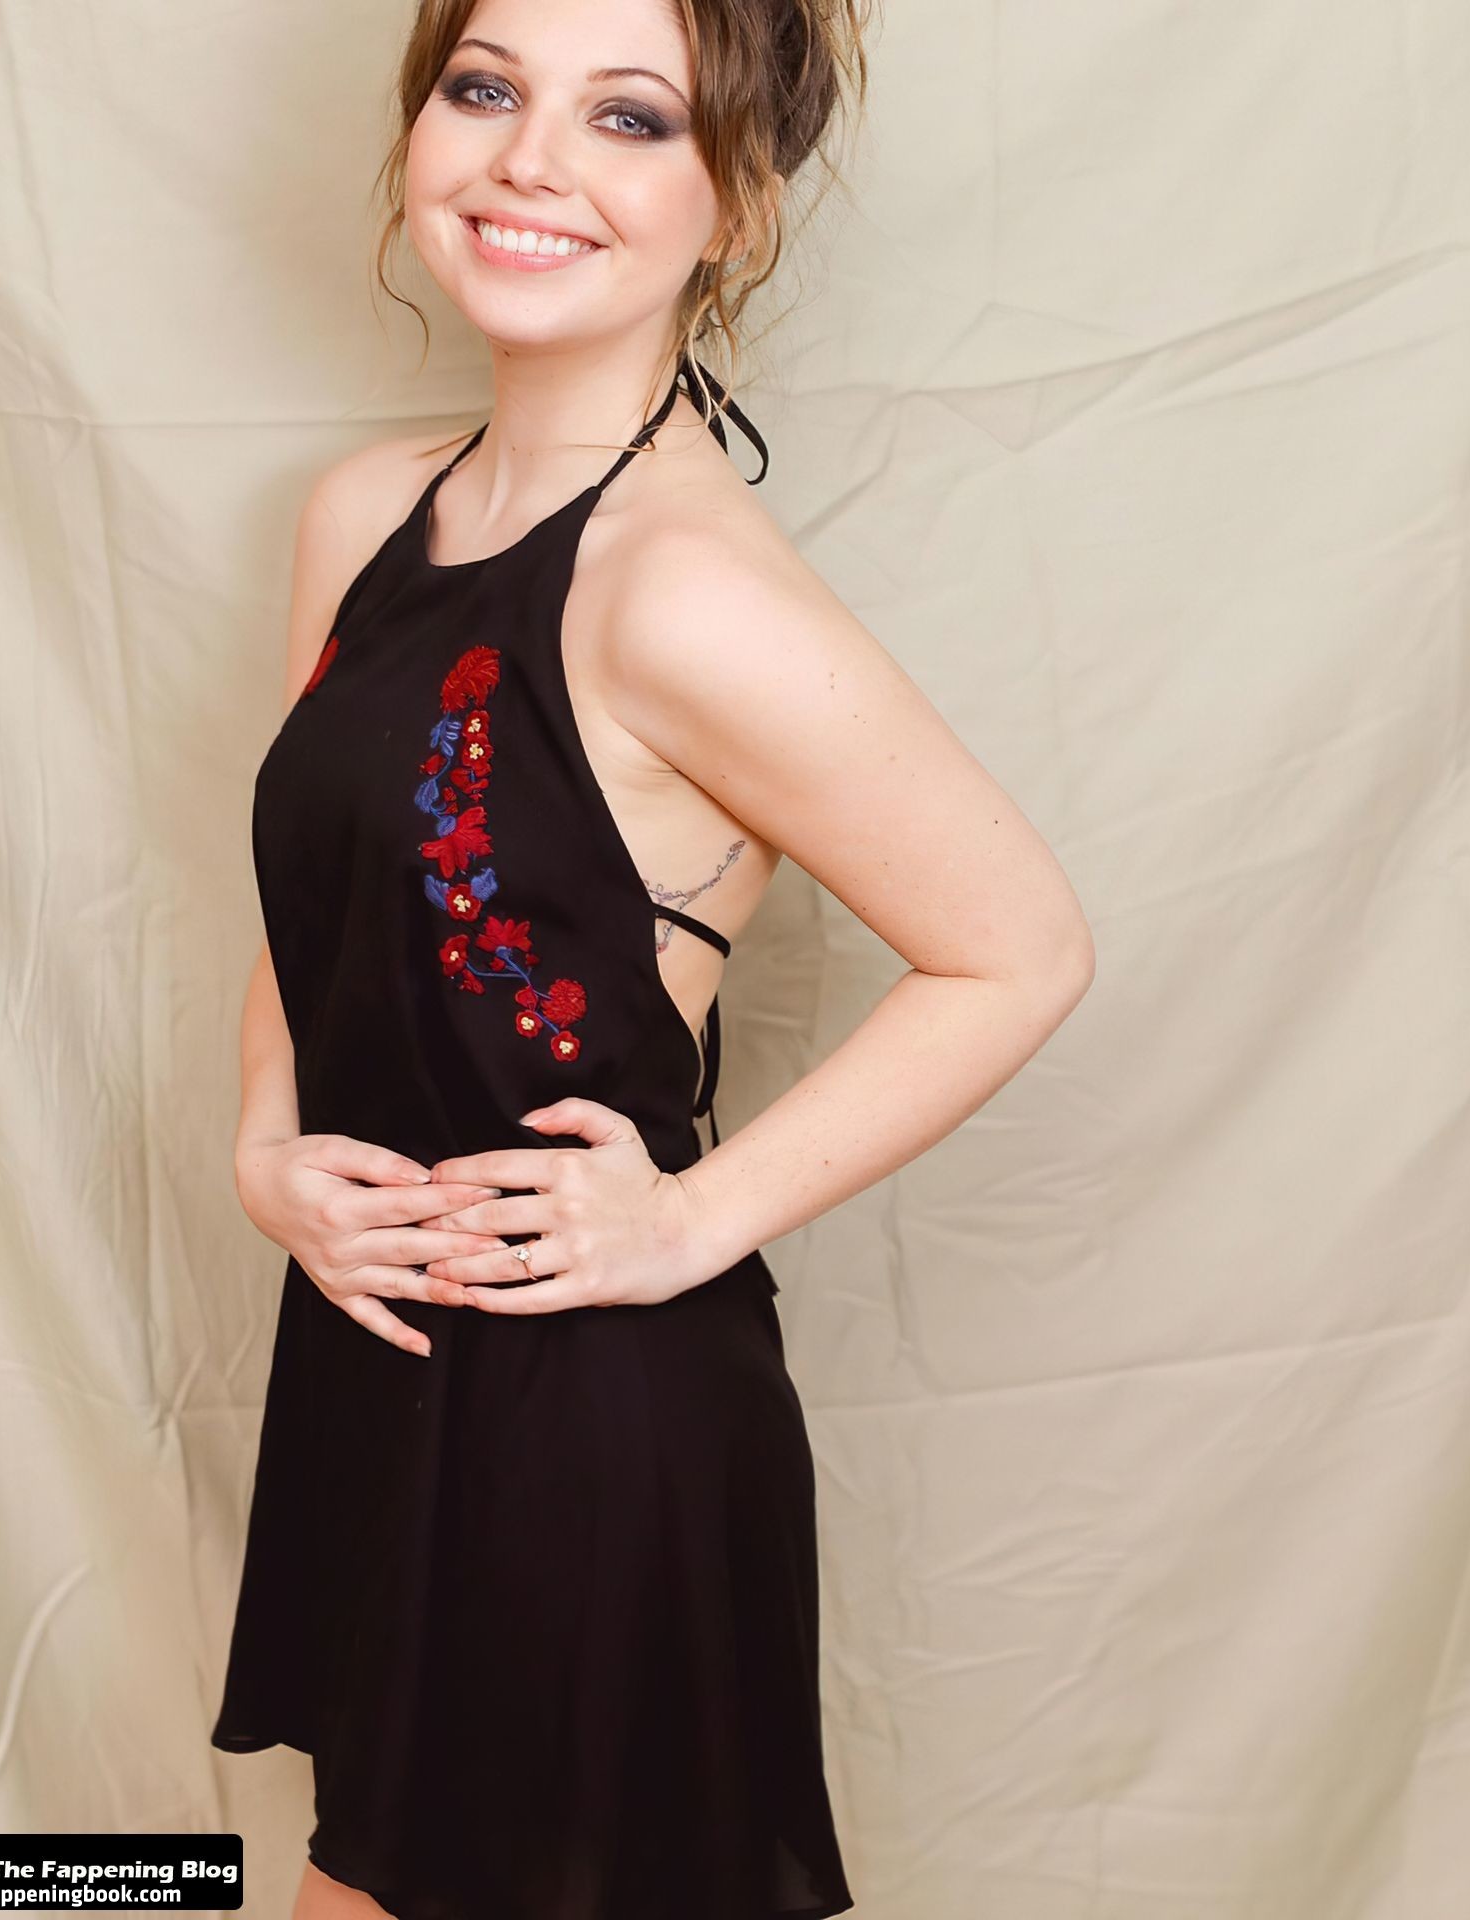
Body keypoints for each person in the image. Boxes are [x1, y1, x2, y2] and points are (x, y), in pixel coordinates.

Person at [209, 0, 1097, 1914]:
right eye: (485, 88)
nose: (530, 158)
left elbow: (1019, 950)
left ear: (736, 207)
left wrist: (690, 1222)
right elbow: (317, 894)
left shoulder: (685, 588)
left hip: (579, 1429)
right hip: (381, 1370)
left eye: (630, 118)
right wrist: (268, 1143)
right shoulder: (360, 516)